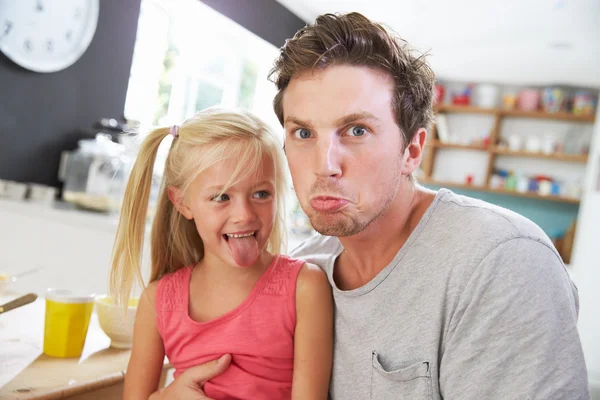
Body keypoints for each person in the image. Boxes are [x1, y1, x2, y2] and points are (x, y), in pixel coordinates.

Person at [272, 12, 590, 400]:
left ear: (412, 150)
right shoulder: (301, 273)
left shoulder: (502, 261)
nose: (325, 166)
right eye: (303, 133)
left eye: (357, 131)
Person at [109, 109, 333, 400]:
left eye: (261, 194)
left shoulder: (304, 288)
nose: (244, 214)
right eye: (221, 197)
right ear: (182, 202)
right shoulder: (157, 301)